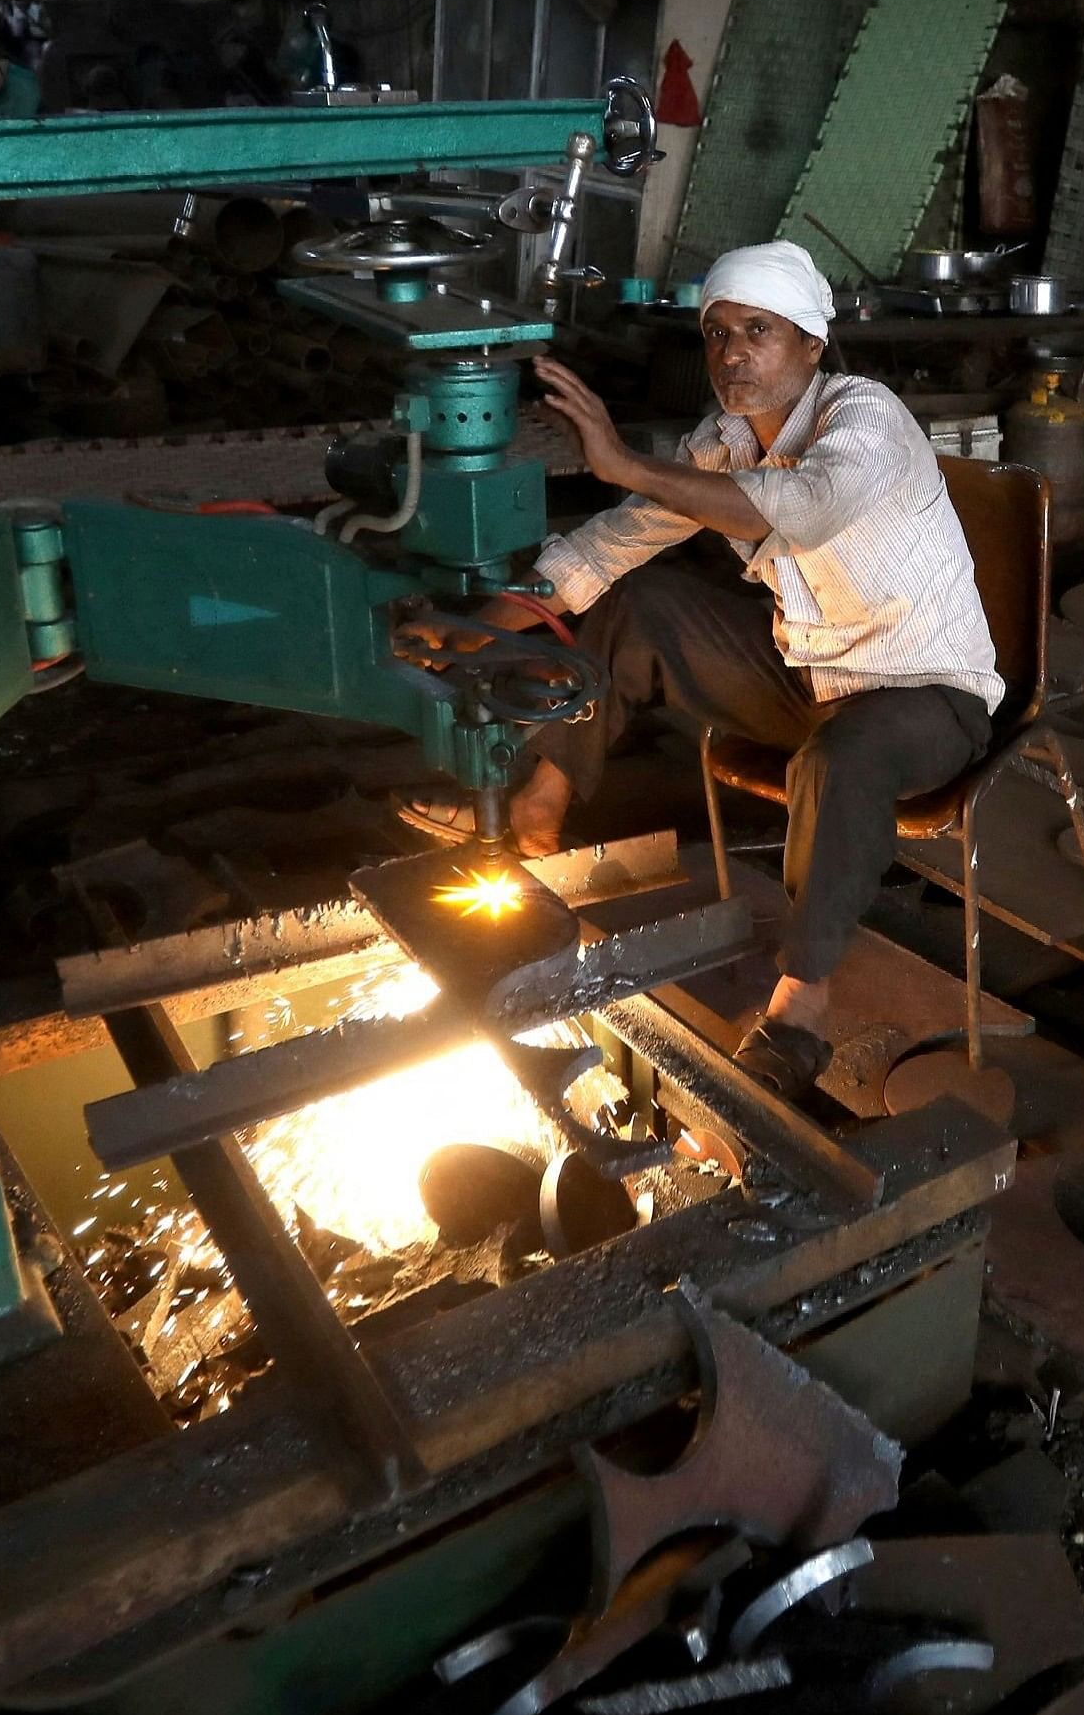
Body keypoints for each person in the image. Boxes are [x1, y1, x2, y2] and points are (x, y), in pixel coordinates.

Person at [399, 240, 1002, 1098]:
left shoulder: (865, 418)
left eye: (758, 330)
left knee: (842, 759)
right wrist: (487, 625)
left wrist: (625, 459)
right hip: (810, 679)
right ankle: (538, 805)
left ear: (810, 346)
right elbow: (620, 538)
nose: (731, 354)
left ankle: (801, 1005)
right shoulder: (724, 439)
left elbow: (805, 507)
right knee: (641, 604)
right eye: (716, 334)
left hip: (927, 697)